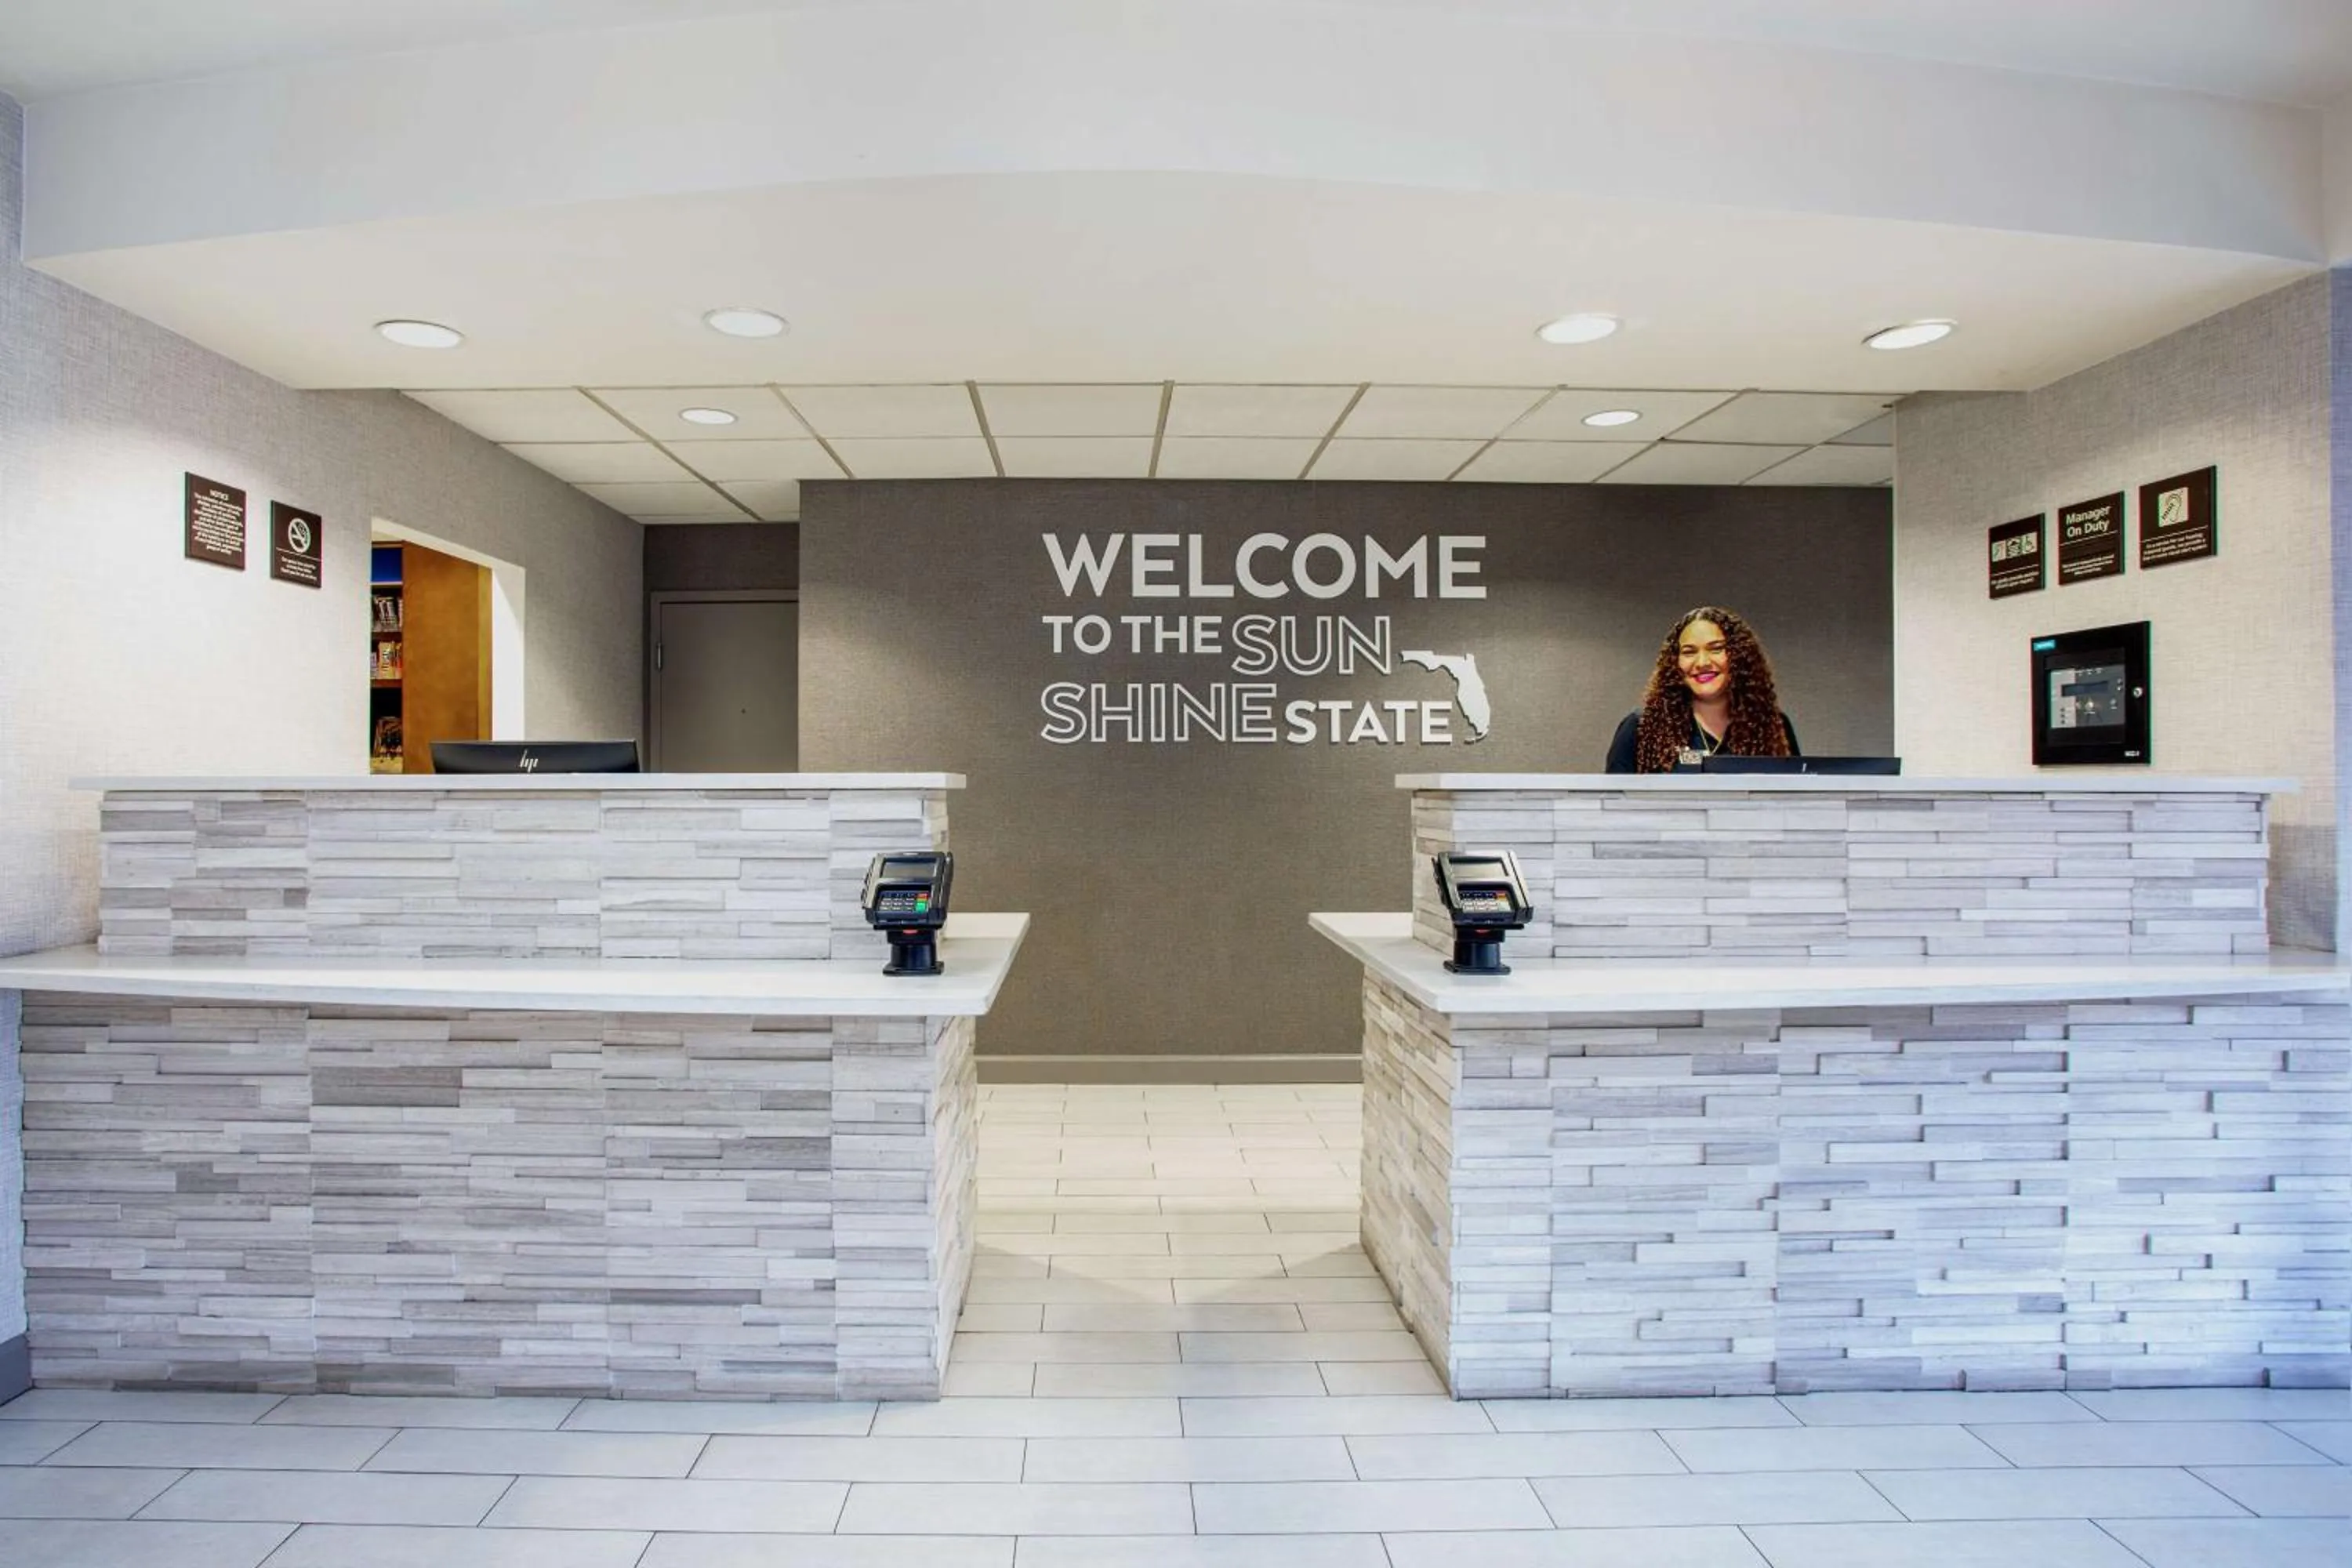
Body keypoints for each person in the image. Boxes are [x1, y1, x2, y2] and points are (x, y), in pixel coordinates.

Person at [1604, 606, 1800, 772]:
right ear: (1674, 662)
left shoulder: (1772, 724)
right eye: (1689, 652)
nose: (1702, 662)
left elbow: (1793, 804)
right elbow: (1612, 807)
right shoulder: (1642, 726)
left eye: (1716, 649)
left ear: (1739, 656)